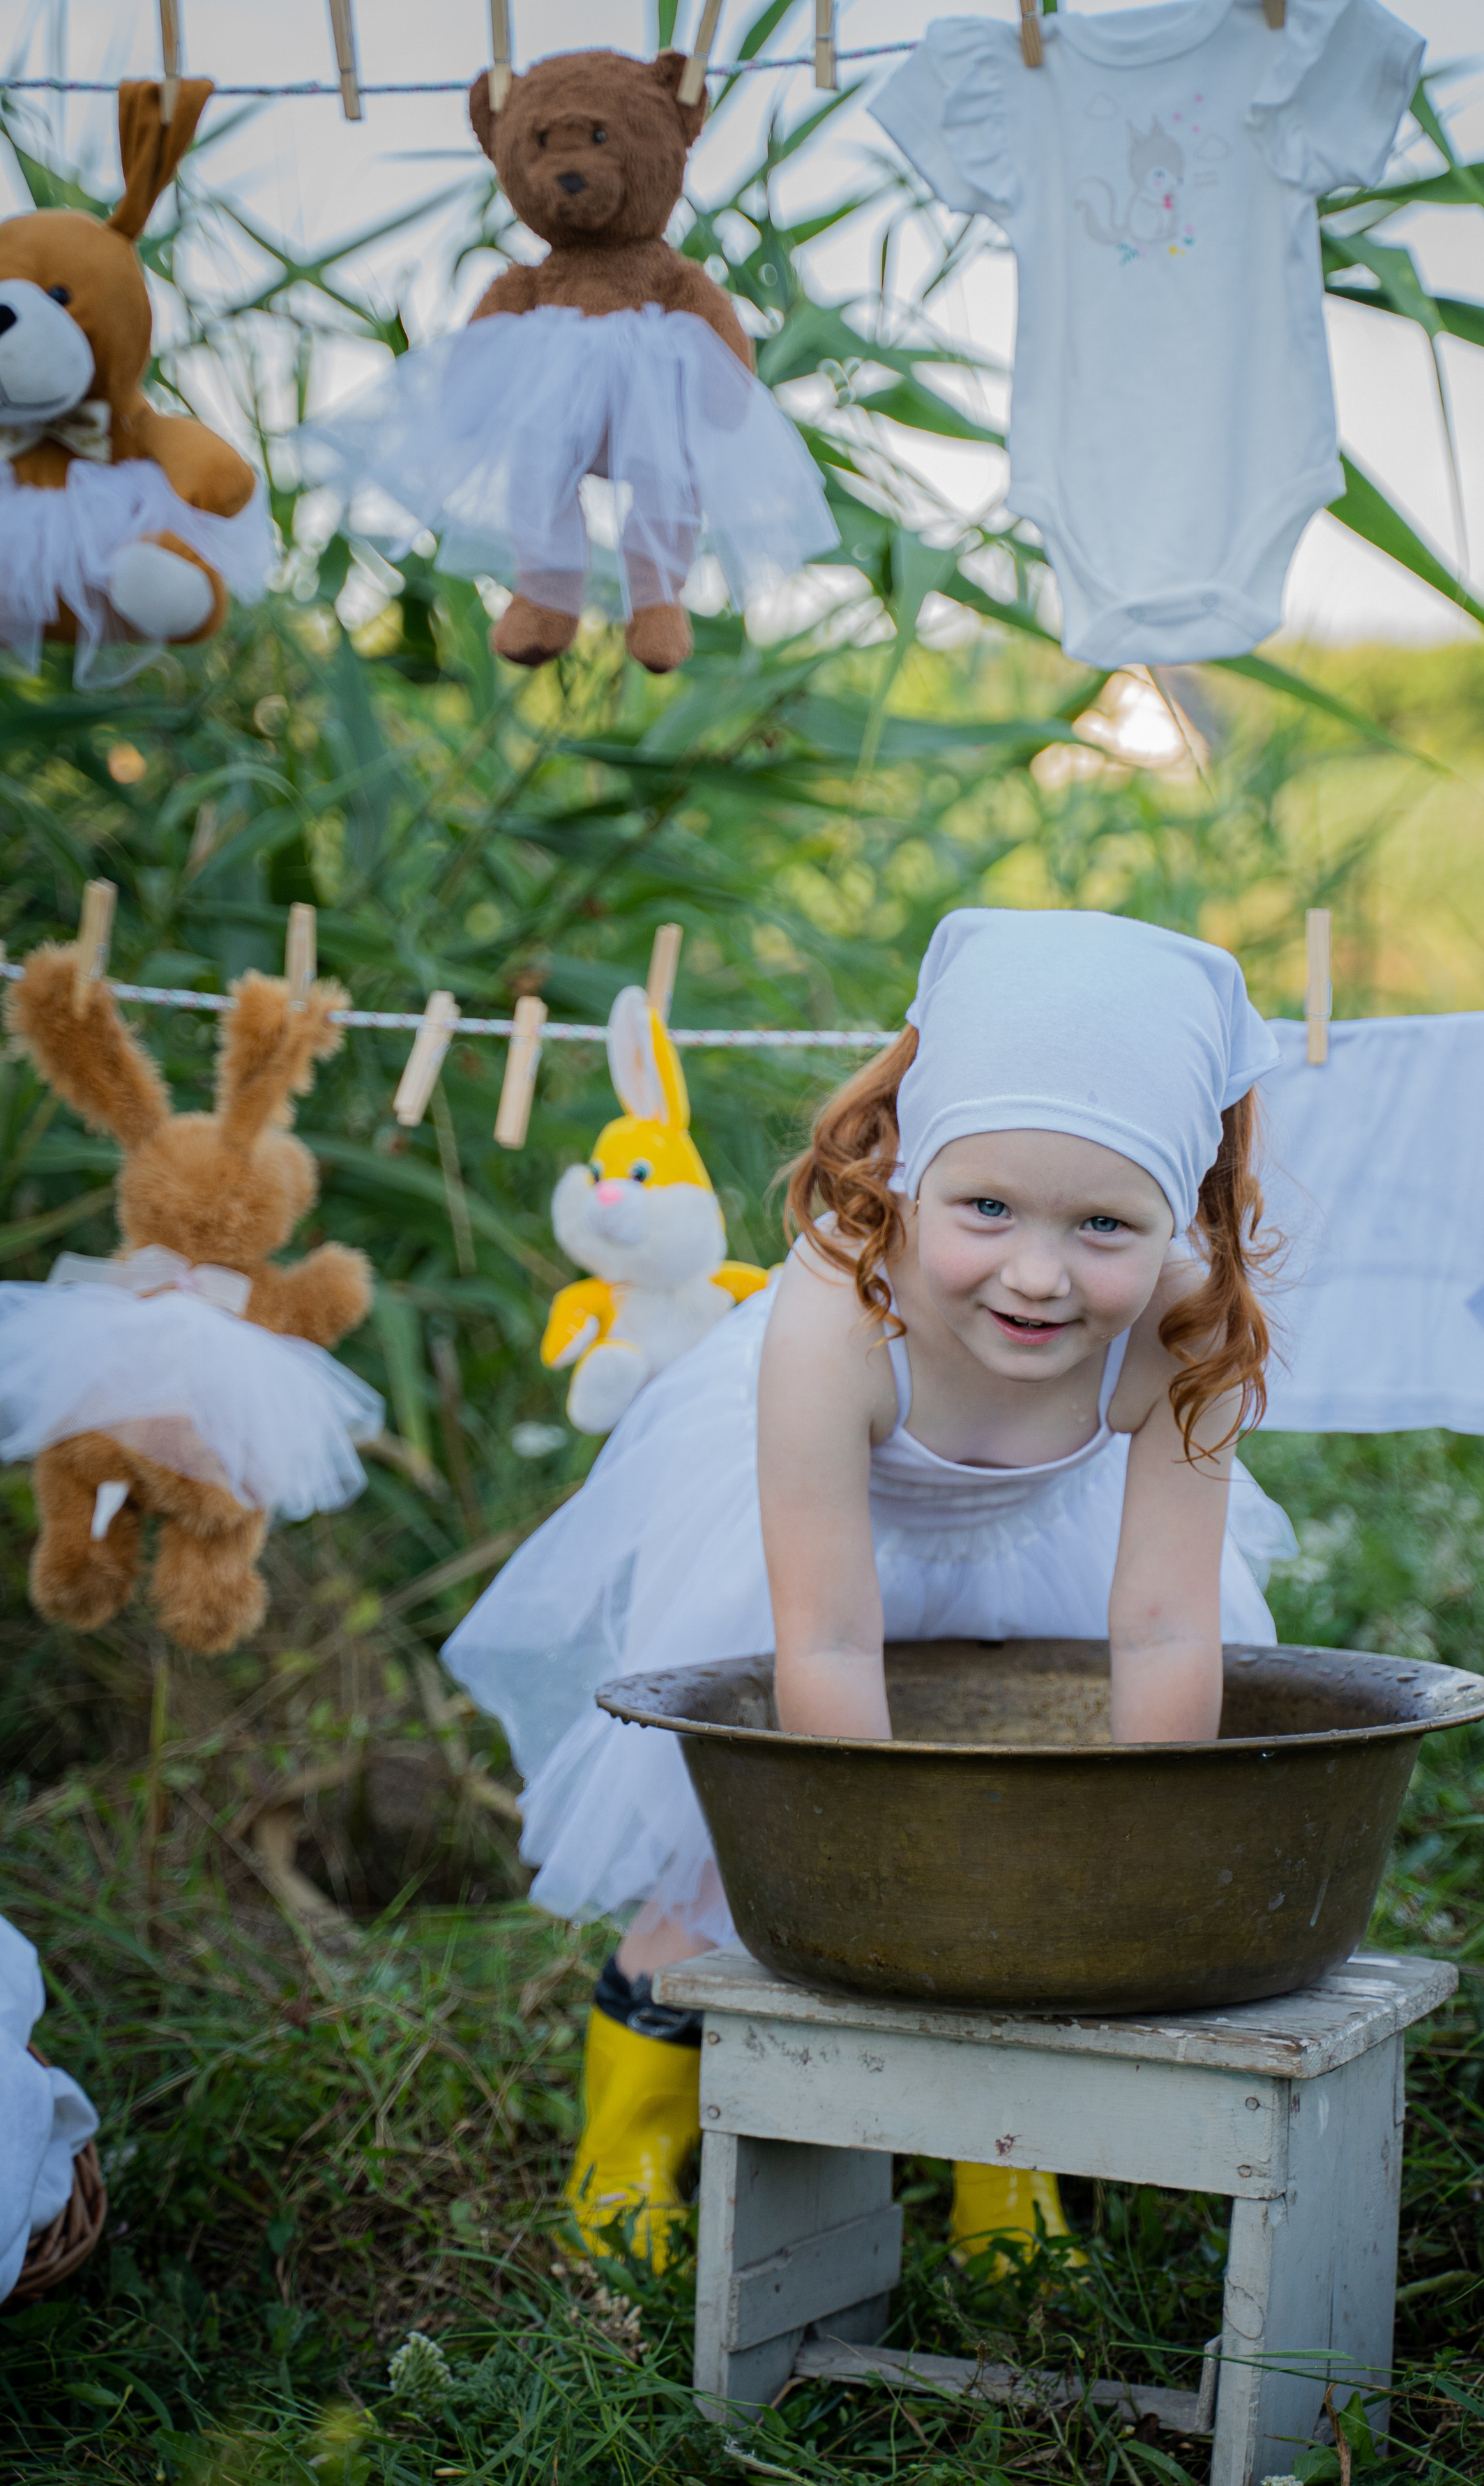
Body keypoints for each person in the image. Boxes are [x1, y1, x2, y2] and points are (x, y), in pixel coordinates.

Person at [445, 909, 1295, 2261]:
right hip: (814, 1556)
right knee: (714, 1871)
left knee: (1034, 1878)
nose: (1035, 1272)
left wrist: (1136, 1856)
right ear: (902, 1164)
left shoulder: (1182, 1336)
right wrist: (868, 1877)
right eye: (986, 1208)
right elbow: (829, 1642)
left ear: (1181, 1210)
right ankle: (625, 2157)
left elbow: (1165, 1617)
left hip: (1045, 1560)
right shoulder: (836, 1318)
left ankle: (1003, 2175)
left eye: (1101, 1225)